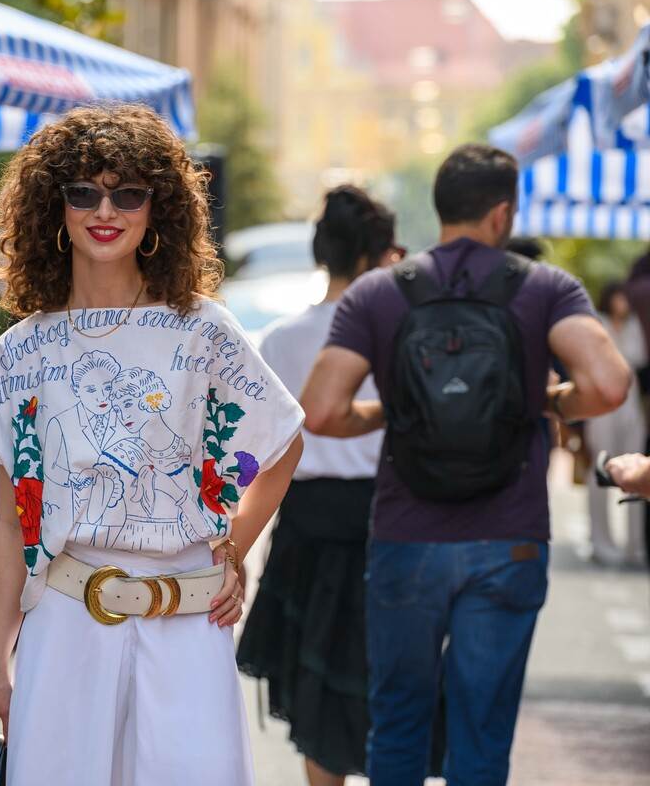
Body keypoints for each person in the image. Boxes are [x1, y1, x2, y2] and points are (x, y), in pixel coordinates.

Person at [0, 104, 305, 785]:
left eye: (127, 192)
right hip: (67, 621)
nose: (105, 209)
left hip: (188, 619)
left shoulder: (204, 331)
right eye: (83, 191)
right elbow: (14, 519)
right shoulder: (23, 352)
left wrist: (235, 546)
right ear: (54, 207)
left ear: (156, 208)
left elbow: (282, 441)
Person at [301, 143, 631, 785]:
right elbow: (610, 385)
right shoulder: (543, 288)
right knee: (481, 734)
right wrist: (553, 400)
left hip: (406, 536)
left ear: (440, 206)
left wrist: (387, 412)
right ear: (502, 214)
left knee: (396, 725)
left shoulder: (379, 294)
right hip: (508, 538)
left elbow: (320, 411)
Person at [238, 186, 399, 786]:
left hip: (304, 521)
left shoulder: (282, 337)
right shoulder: (393, 332)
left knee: (315, 687)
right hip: (383, 521)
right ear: (374, 255)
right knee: (387, 682)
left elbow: (259, 449)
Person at [584, 283, 647, 565]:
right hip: (603, 405)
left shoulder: (634, 327)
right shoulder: (597, 323)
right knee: (599, 471)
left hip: (629, 407)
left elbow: (639, 358)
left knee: (638, 477)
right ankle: (600, 541)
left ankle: (635, 543)